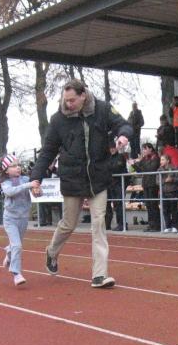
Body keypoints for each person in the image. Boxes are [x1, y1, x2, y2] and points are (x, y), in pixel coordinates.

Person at [30, 79, 132, 289]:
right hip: (72, 178)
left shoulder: (102, 109)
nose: (68, 104)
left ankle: (99, 275)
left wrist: (123, 136)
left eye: (72, 100)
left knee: (98, 223)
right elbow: (48, 151)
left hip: (98, 178)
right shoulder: (58, 120)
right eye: (65, 100)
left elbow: (124, 124)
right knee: (68, 224)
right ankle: (51, 252)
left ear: (83, 95)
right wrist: (36, 177)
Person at [0, 155, 34, 286]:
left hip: (23, 218)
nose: (18, 168)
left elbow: (36, 192)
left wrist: (37, 189)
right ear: (6, 170)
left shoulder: (25, 179)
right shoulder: (5, 182)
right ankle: (16, 273)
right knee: (17, 246)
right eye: (13, 166)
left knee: (15, 245)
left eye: (18, 165)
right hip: (10, 219)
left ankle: (9, 253)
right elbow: (10, 192)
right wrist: (28, 185)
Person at [133, 142, 161, 232]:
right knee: (148, 205)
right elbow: (140, 171)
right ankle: (151, 224)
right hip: (146, 184)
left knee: (153, 205)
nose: (143, 151)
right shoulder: (145, 158)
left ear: (150, 149)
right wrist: (134, 164)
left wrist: (140, 162)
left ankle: (156, 225)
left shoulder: (155, 157)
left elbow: (151, 168)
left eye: (145, 149)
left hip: (153, 184)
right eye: (143, 149)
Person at [105, 144, 128, 232]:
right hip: (111, 184)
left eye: (113, 147)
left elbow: (117, 168)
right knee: (113, 204)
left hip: (119, 183)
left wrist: (109, 167)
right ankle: (114, 224)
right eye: (110, 148)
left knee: (119, 204)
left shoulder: (120, 156)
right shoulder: (108, 157)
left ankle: (122, 224)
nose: (112, 149)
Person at [159, 151, 178, 233]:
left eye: (163, 160)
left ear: (168, 160)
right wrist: (165, 180)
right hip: (163, 192)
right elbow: (157, 181)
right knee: (165, 210)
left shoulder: (174, 168)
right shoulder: (159, 170)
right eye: (161, 160)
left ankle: (175, 226)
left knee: (174, 210)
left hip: (173, 191)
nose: (161, 161)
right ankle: (168, 226)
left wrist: (172, 180)